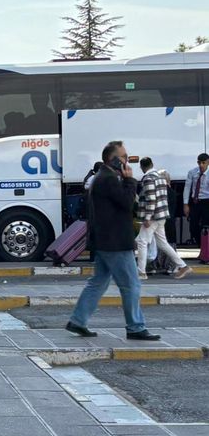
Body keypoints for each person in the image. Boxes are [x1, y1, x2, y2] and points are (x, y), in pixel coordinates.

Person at [66, 141, 160, 341]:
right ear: (114, 159)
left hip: (105, 240)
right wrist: (130, 180)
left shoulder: (103, 177)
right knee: (131, 284)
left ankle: (78, 320)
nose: (128, 160)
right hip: (116, 241)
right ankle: (135, 327)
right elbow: (127, 203)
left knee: (98, 282)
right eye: (124, 157)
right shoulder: (108, 179)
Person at [136, 159, 189, 279]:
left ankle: (141, 272)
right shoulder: (160, 177)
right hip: (161, 215)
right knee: (162, 243)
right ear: (152, 165)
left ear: (141, 167)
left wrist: (147, 217)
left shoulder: (148, 178)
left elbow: (151, 198)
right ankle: (183, 265)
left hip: (153, 216)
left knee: (142, 242)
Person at [184, 153, 209, 245]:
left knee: (205, 227)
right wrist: (185, 204)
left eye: (203, 163)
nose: (201, 165)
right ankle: (201, 245)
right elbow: (187, 188)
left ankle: (206, 250)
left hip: (207, 201)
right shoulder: (192, 172)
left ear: (207, 163)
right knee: (193, 226)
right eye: (199, 163)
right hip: (196, 202)